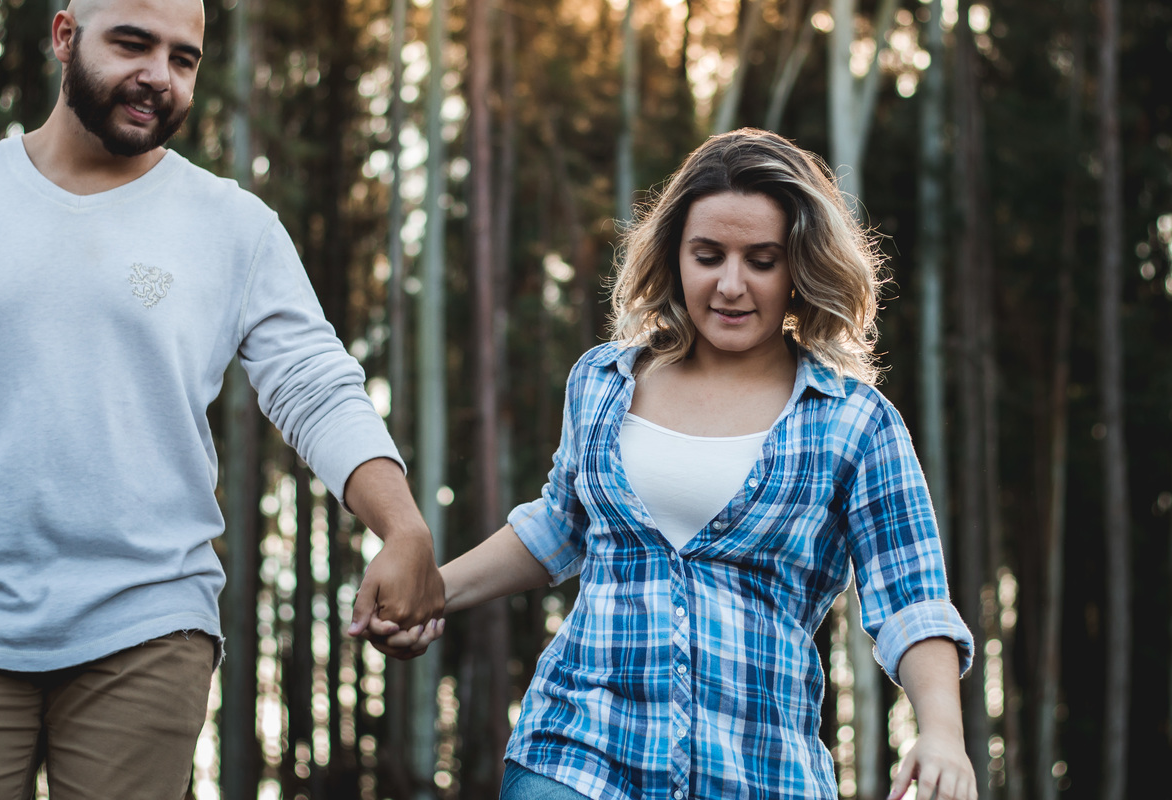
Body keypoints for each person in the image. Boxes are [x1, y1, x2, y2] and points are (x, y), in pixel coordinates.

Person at [378, 128, 977, 800]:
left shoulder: (855, 424)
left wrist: (942, 734)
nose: (730, 284)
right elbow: (558, 527)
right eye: (708, 255)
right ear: (675, 256)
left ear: (798, 267)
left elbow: (912, 599)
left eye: (761, 260)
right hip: (578, 754)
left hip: (758, 771)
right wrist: (432, 591)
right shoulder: (604, 382)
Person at [0, 1, 443, 797]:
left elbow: (314, 387)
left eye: (183, 58)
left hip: (146, 621)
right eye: (132, 44)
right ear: (63, 36)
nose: (158, 77)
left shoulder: (233, 227)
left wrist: (401, 525)